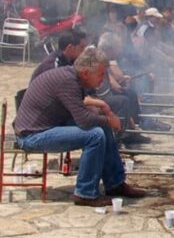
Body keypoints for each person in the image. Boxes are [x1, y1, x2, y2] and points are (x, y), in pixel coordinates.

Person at [14, 48, 147, 206]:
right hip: (32, 135)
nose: (103, 78)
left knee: (101, 128)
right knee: (95, 135)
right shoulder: (68, 81)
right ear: (85, 73)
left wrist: (102, 105)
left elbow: (80, 102)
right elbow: (83, 120)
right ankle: (85, 193)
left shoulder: (72, 76)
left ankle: (115, 183)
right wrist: (109, 120)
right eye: (100, 74)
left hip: (49, 126)